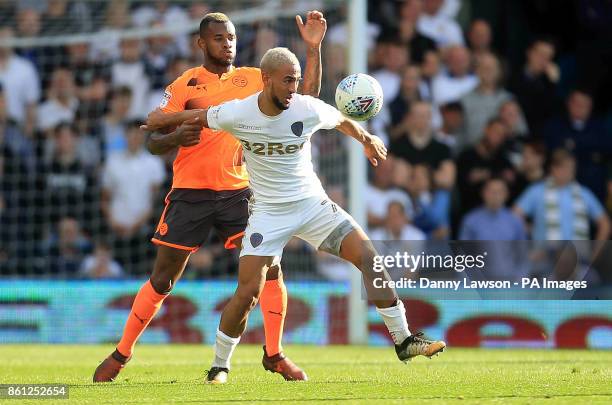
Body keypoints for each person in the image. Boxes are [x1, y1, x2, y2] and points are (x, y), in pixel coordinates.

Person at [170, 47, 445, 384]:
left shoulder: (306, 107)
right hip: (268, 213)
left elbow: (342, 120)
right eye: (287, 80)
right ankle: (219, 366)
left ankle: (404, 340)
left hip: (312, 206)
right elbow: (199, 116)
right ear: (266, 79)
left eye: (296, 80)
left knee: (370, 258)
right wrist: (162, 120)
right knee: (247, 294)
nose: (292, 87)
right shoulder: (238, 113)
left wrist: (367, 138)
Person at [93, 11, 327, 383]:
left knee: (271, 272)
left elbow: (308, 99)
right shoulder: (185, 86)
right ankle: (121, 354)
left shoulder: (254, 79)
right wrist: (173, 139)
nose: (227, 44)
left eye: (231, 37)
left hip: (240, 192)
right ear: (201, 44)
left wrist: (313, 49)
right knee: (163, 280)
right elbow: (152, 139)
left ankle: (275, 354)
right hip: (190, 193)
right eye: (219, 38)